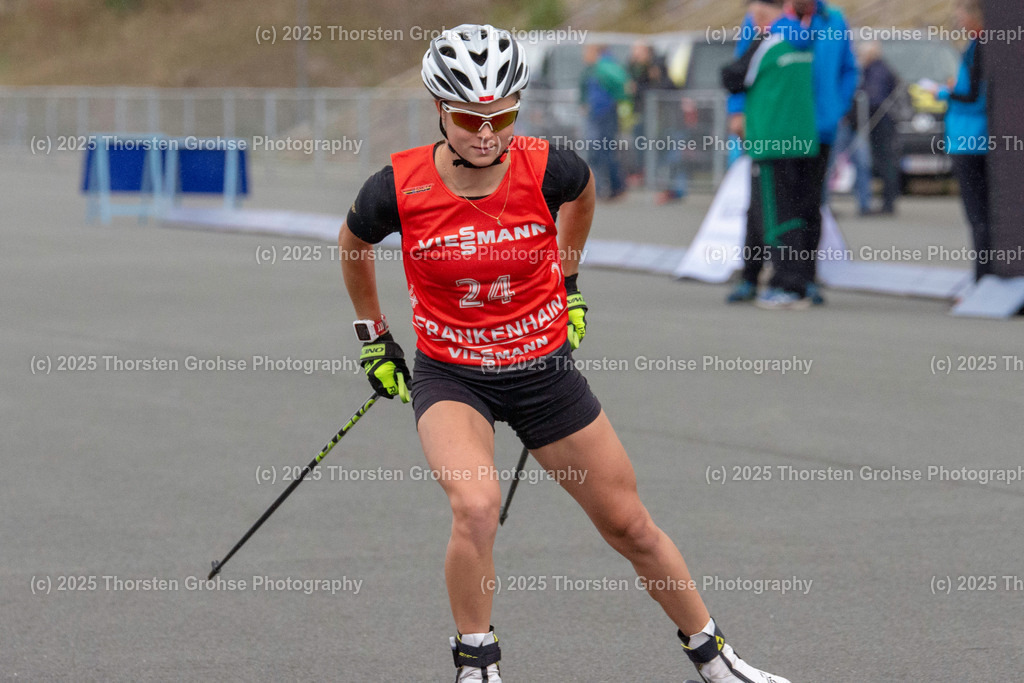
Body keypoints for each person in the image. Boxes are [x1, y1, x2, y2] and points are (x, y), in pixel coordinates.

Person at [339, 23, 792, 683]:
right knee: (476, 507)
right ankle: (477, 665)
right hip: (454, 375)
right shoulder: (397, 187)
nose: (487, 133)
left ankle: (717, 659)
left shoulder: (550, 167)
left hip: (543, 371)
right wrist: (373, 337)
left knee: (630, 525)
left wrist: (569, 283)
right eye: (469, 118)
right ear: (439, 108)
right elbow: (353, 244)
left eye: (503, 116)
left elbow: (581, 197)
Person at [723, 0, 820, 309]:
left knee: (776, 217)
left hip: (772, 141)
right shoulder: (806, 37)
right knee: (792, 212)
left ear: (762, 13)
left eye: (754, 15)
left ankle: (788, 285)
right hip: (803, 139)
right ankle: (790, 279)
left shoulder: (768, 41)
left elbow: (732, 77)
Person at [787, 0, 859, 305]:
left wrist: (836, 108)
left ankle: (806, 276)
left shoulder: (834, 20)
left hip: (821, 129)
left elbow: (849, 69)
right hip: (782, 128)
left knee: (811, 203)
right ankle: (772, 274)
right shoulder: (773, 16)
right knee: (778, 203)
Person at [934, 0, 991, 281]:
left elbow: (975, 96)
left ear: (974, 15)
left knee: (979, 216)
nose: (958, 22)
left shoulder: (980, 46)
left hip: (970, 140)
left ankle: (983, 278)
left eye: (960, 16)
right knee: (982, 216)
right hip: (972, 137)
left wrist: (943, 93)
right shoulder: (977, 46)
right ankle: (984, 276)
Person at [580, 43, 631, 200]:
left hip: (604, 115)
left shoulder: (602, 67)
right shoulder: (599, 67)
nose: (584, 56)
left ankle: (612, 187)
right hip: (602, 115)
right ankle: (610, 187)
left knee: (603, 152)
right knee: (602, 152)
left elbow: (623, 86)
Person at [859, 41, 901, 215]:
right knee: (884, 160)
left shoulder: (877, 70)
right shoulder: (880, 68)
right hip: (882, 120)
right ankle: (888, 201)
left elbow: (874, 96)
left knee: (885, 160)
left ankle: (888, 203)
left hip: (881, 121)